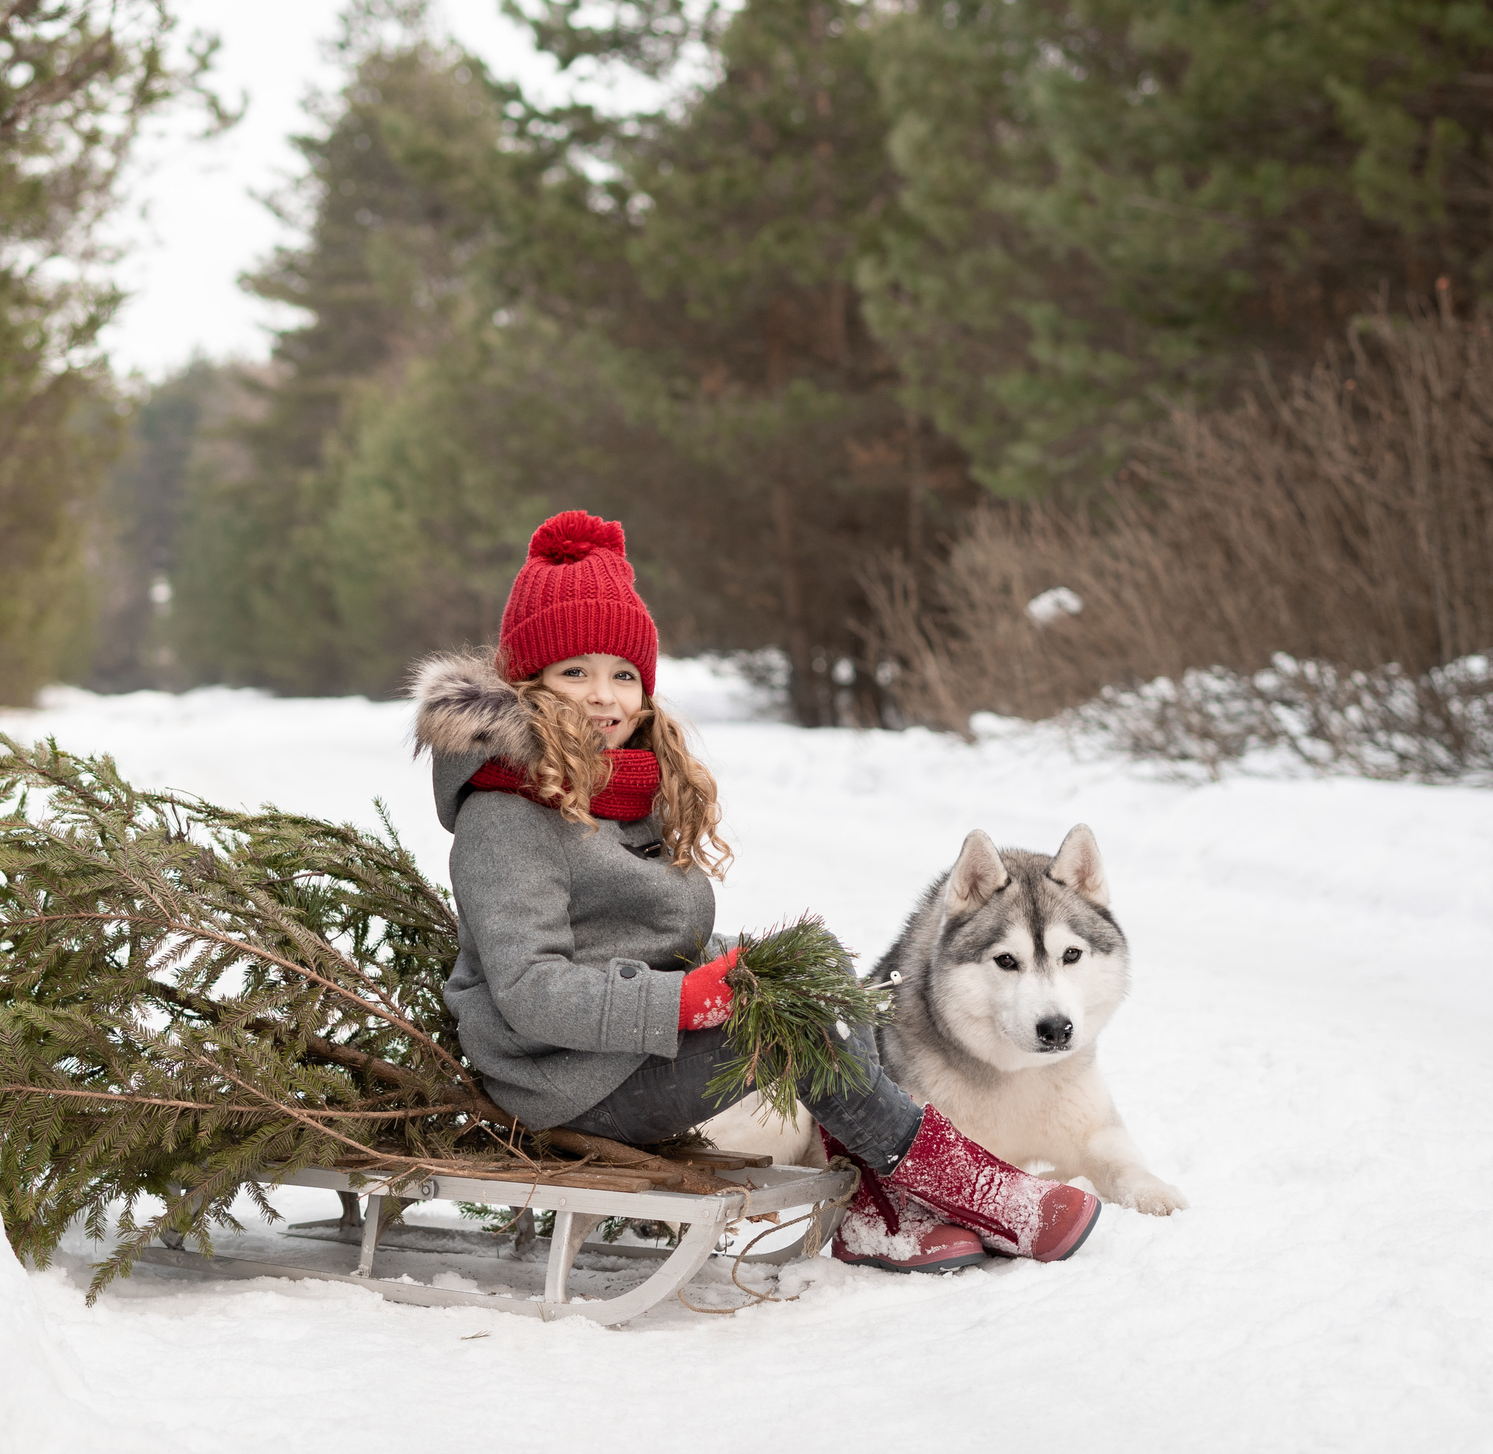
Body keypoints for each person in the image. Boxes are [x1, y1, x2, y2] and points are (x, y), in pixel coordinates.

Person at [411, 509, 1100, 1272]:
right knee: (796, 1032)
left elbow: (646, 942)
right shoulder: (506, 812)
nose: (604, 697)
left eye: (624, 674)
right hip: (563, 1079)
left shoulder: (621, 788)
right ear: (528, 681)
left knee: (821, 983)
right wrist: (687, 1001)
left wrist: (751, 966)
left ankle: (878, 1211)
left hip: (629, 1051)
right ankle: (974, 1187)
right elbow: (530, 990)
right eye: (576, 671)